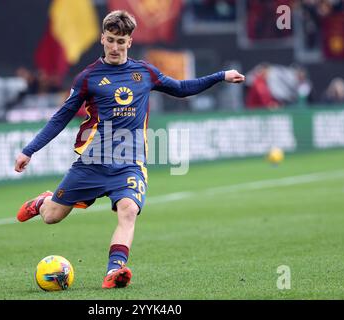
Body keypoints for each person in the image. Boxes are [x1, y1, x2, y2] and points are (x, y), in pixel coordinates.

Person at [14, 10, 245, 289]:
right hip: (92, 162)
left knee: (128, 210)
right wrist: (29, 150)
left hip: (129, 163)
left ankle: (115, 271)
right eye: (110, 40)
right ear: (102, 38)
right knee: (52, 217)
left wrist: (221, 75)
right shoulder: (88, 78)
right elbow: (61, 117)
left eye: (120, 42)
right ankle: (42, 202)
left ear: (129, 42)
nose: (114, 47)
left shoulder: (144, 72)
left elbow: (182, 88)